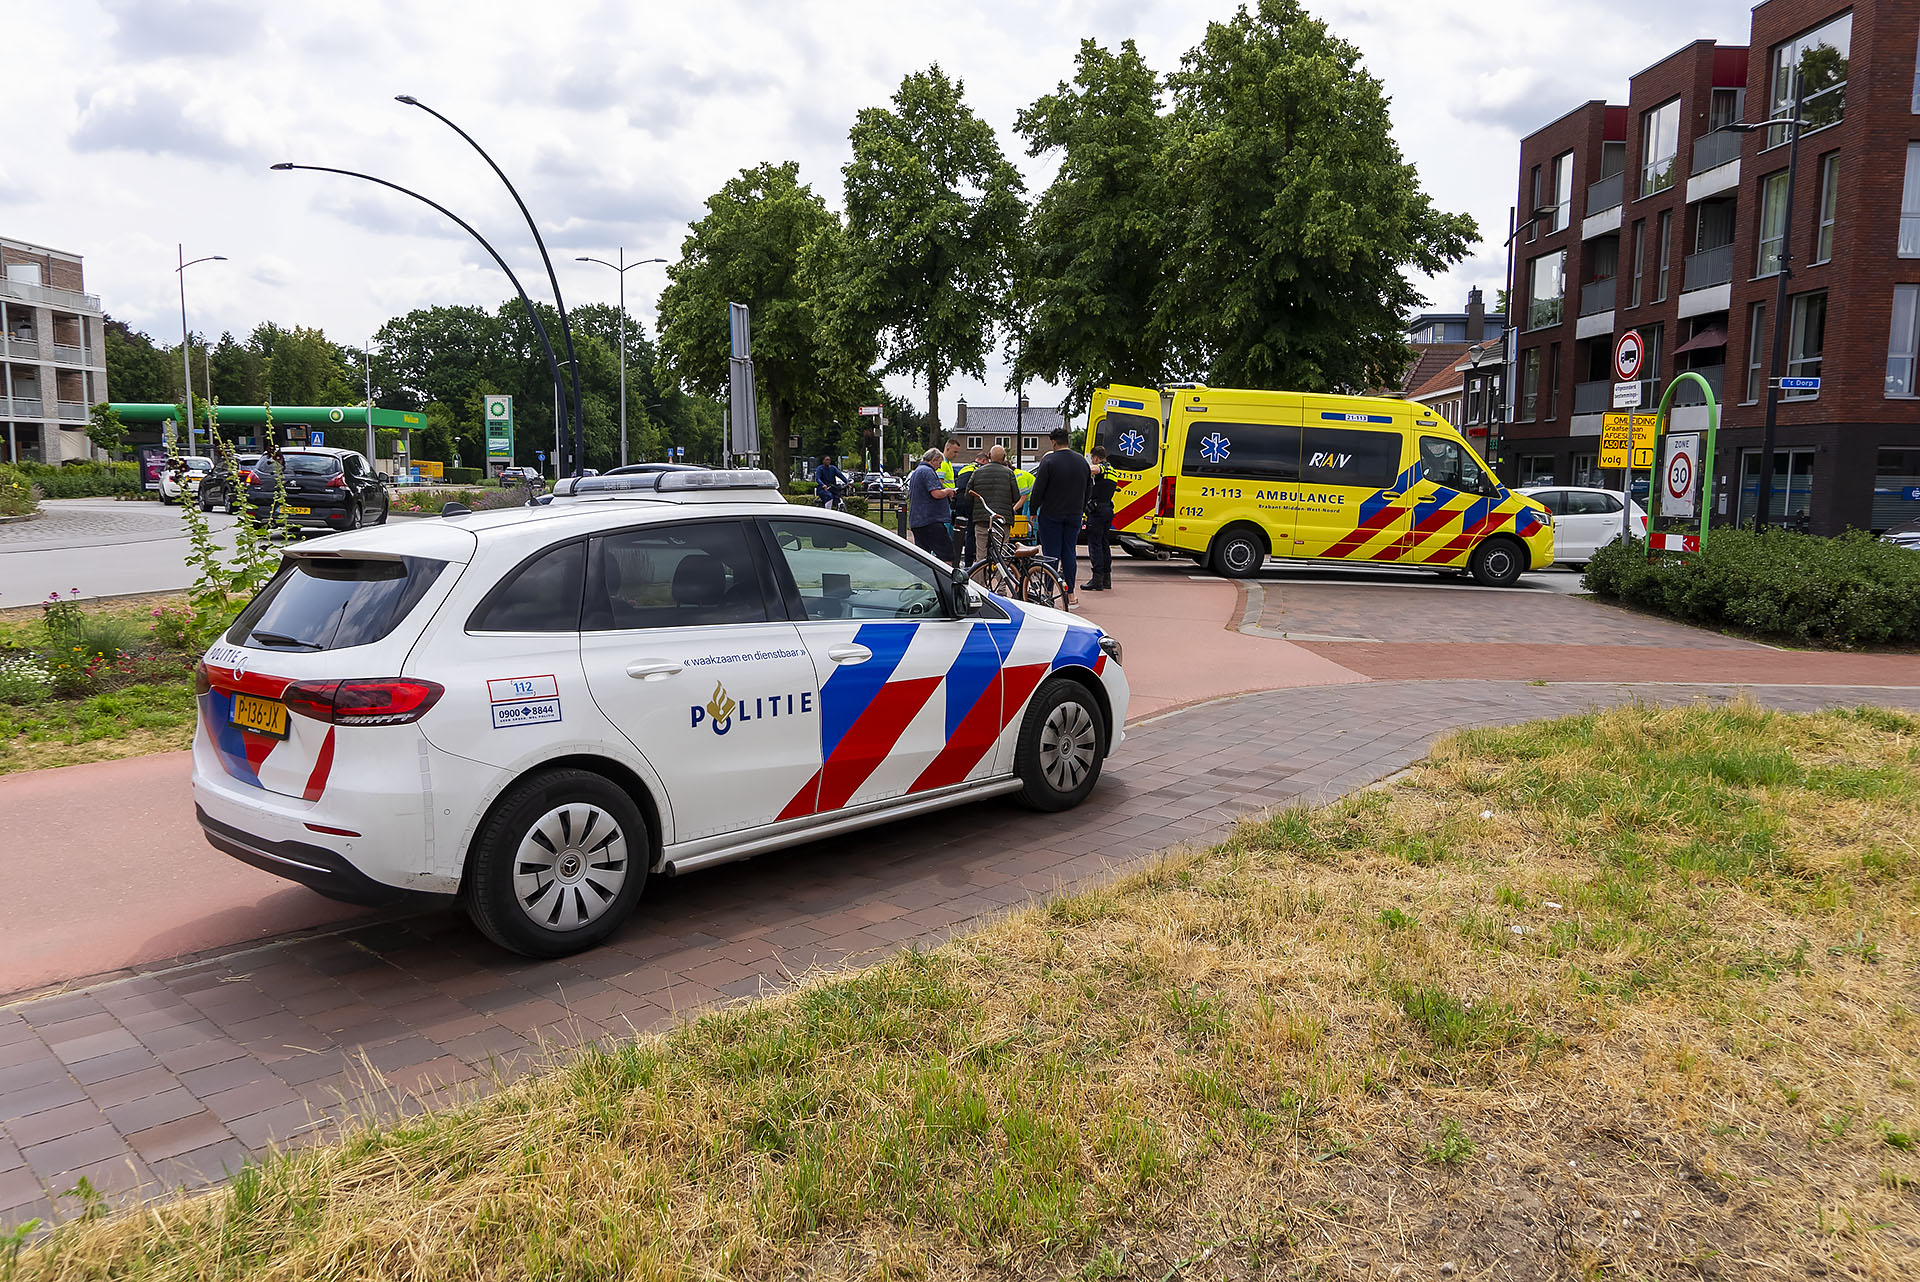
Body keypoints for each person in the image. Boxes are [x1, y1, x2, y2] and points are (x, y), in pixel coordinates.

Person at [1028, 426, 1091, 607]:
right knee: (1069, 552)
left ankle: (1048, 592)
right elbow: (1088, 490)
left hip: (1051, 514)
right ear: (1068, 440)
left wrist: (1033, 510)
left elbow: (1038, 489)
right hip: (1074, 514)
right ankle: (1071, 594)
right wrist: (1081, 508)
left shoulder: (1049, 461)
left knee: (1051, 554)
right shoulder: (1082, 462)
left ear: (1053, 442)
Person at [966, 445, 1019, 568]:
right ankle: (1001, 586)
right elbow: (1016, 497)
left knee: (981, 556)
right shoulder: (1009, 473)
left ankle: (980, 585)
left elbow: (968, 496)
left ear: (989, 456)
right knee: (1002, 556)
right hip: (1002, 521)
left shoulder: (977, 472)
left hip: (982, 520)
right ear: (1004, 458)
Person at [907, 446, 956, 562]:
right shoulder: (928, 471)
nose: (939, 467)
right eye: (939, 463)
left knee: (923, 557)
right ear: (933, 459)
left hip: (917, 521)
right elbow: (936, 493)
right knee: (947, 555)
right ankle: (945, 580)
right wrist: (948, 491)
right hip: (930, 521)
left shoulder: (916, 472)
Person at [1084, 445, 1116, 591]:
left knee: (1095, 545)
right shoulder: (1113, 471)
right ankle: (1106, 578)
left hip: (1098, 511)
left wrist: (1083, 468)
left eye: (1092, 459)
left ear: (1096, 458)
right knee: (1104, 544)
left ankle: (1097, 579)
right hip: (1108, 509)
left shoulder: (1103, 467)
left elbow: (1095, 469)